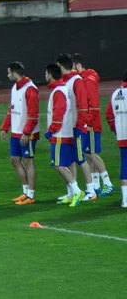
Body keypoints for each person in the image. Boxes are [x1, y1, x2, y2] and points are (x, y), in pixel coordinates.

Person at [56, 53, 96, 202]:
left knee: (80, 159)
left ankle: (91, 191)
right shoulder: (65, 82)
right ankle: (72, 192)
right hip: (68, 128)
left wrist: (80, 126)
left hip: (76, 127)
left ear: (61, 66)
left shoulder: (76, 81)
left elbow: (82, 105)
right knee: (71, 160)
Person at [74, 53, 115, 196]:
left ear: (78, 65)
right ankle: (96, 185)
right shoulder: (87, 78)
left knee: (90, 154)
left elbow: (94, 104)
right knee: (90, 154)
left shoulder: (87, 80)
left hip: (91, 123)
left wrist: (87, 121)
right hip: (90, 122)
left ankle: (108, 183)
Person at [44, 63, 84, 207]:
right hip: (66, 131)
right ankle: (71, 194)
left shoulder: (59, 91)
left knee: (58, 165)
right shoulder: (62, 89)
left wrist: (50, 131)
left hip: (60, 134)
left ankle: (76, 190)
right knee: (69, 163)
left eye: (46, 73)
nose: (45, 75)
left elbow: (58, 113)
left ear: (50, 74)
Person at [0, 62, 39, 205]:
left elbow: (33, 114)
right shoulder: (15, 88)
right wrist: (5, 127)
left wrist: (26, 132)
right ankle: (25, 191)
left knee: (29, 161)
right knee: (14, 160)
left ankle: (31, 195)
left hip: (27, 134)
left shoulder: (30, 89)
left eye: (9, 72)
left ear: (15, 73)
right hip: (16, 132)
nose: (8, 75)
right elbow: (12, 109)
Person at [104, 73, 127, 208]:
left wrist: (116, 129)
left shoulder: (115, 93)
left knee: (125, 164)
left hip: (122, 136)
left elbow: (109, 114)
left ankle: (125, 200)